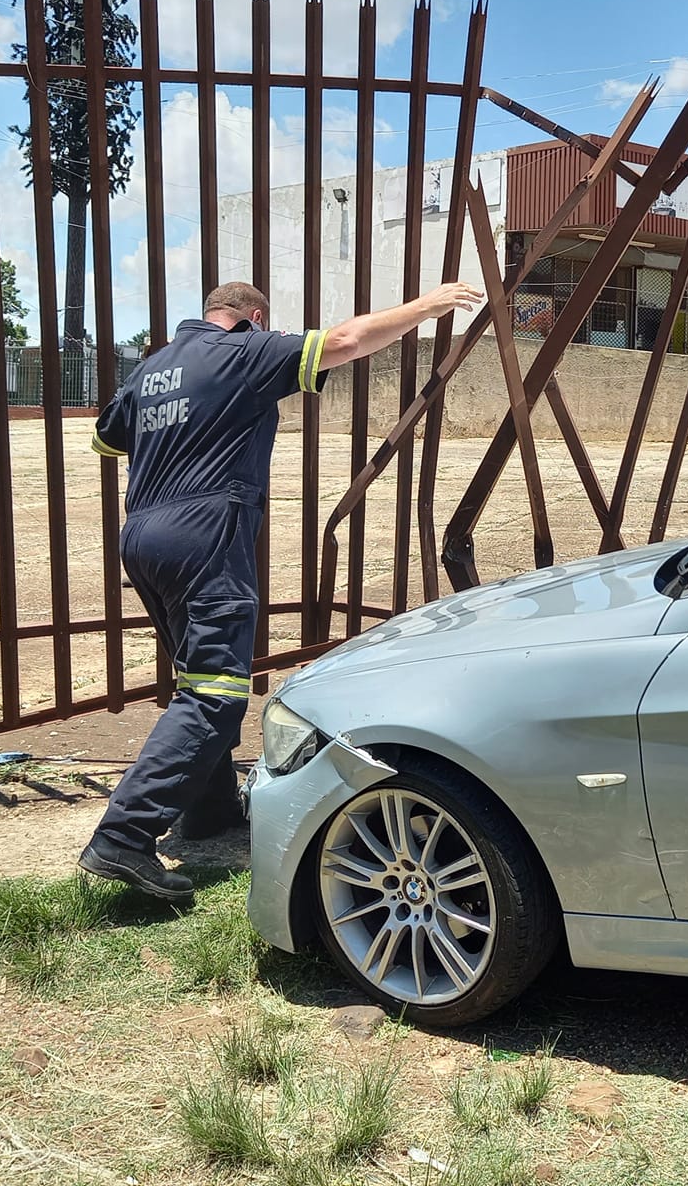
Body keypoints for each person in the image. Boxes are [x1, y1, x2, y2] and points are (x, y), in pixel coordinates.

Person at [78, 278, 487, 905]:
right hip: (204, 532)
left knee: (195, 679)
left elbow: (108, 438)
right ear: (254, 317)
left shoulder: (155, 364)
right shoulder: (244, 352)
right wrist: (431, 305)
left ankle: (207, 814)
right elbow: (347, 340)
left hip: (142, 534)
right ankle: (124, 836)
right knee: (216, 692)